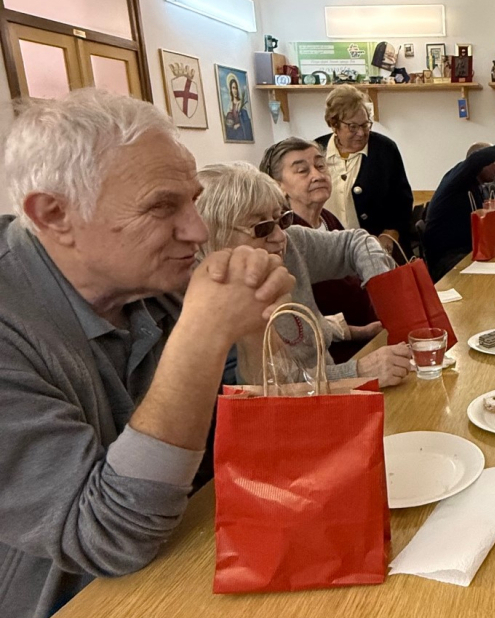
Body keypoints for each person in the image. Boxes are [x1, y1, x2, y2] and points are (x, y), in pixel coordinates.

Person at [0, 89, 295, 618]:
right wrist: (205, 332)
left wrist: (253, 329)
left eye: (193, 201)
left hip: (187, 552)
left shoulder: (149, 279)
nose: (198, 231)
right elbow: (108, 536)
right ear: (54, 214)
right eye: (162, 206)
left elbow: (259, 450)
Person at [194, 162, 411, 387]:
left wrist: (383, 288)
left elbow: (355, 242)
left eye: (282, 219)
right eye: (262, 228)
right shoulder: (207, 301)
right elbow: (266, 389)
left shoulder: (292, 243)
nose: (280, 237)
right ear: (212, 236)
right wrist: (358, 371)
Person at [259, 137, 383, 363]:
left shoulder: (328, 218)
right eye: (302, 171)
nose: (317, 175)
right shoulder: (283, 239)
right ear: (277, 186)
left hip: (372, 336)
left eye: (320, 165)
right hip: (339, 354)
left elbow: (358, 243)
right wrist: (356, 332)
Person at [315, 85, 413, 257]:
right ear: (334, 125)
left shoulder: (384, 150)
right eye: (352, 127)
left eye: (365, 125)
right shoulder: (316, 151)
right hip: (330, 251)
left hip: (376, 251)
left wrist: (389, 235)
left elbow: (402, 201)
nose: (361, 133)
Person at [423, 142, 495, 280]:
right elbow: (474, 160)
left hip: (467, 252)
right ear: (480, 163)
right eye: (494, 162)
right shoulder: (458, 179)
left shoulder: (477, 187)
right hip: (448, 261)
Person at [223, 74, 252, 142]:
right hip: (234, 133)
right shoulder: (230, 105)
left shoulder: (241, 104)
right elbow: (228, 122)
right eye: (233, 88)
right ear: (230, 89)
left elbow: (247, 121)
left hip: (242, 132)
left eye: (236, 88)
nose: (235, 90)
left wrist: (240, 125)